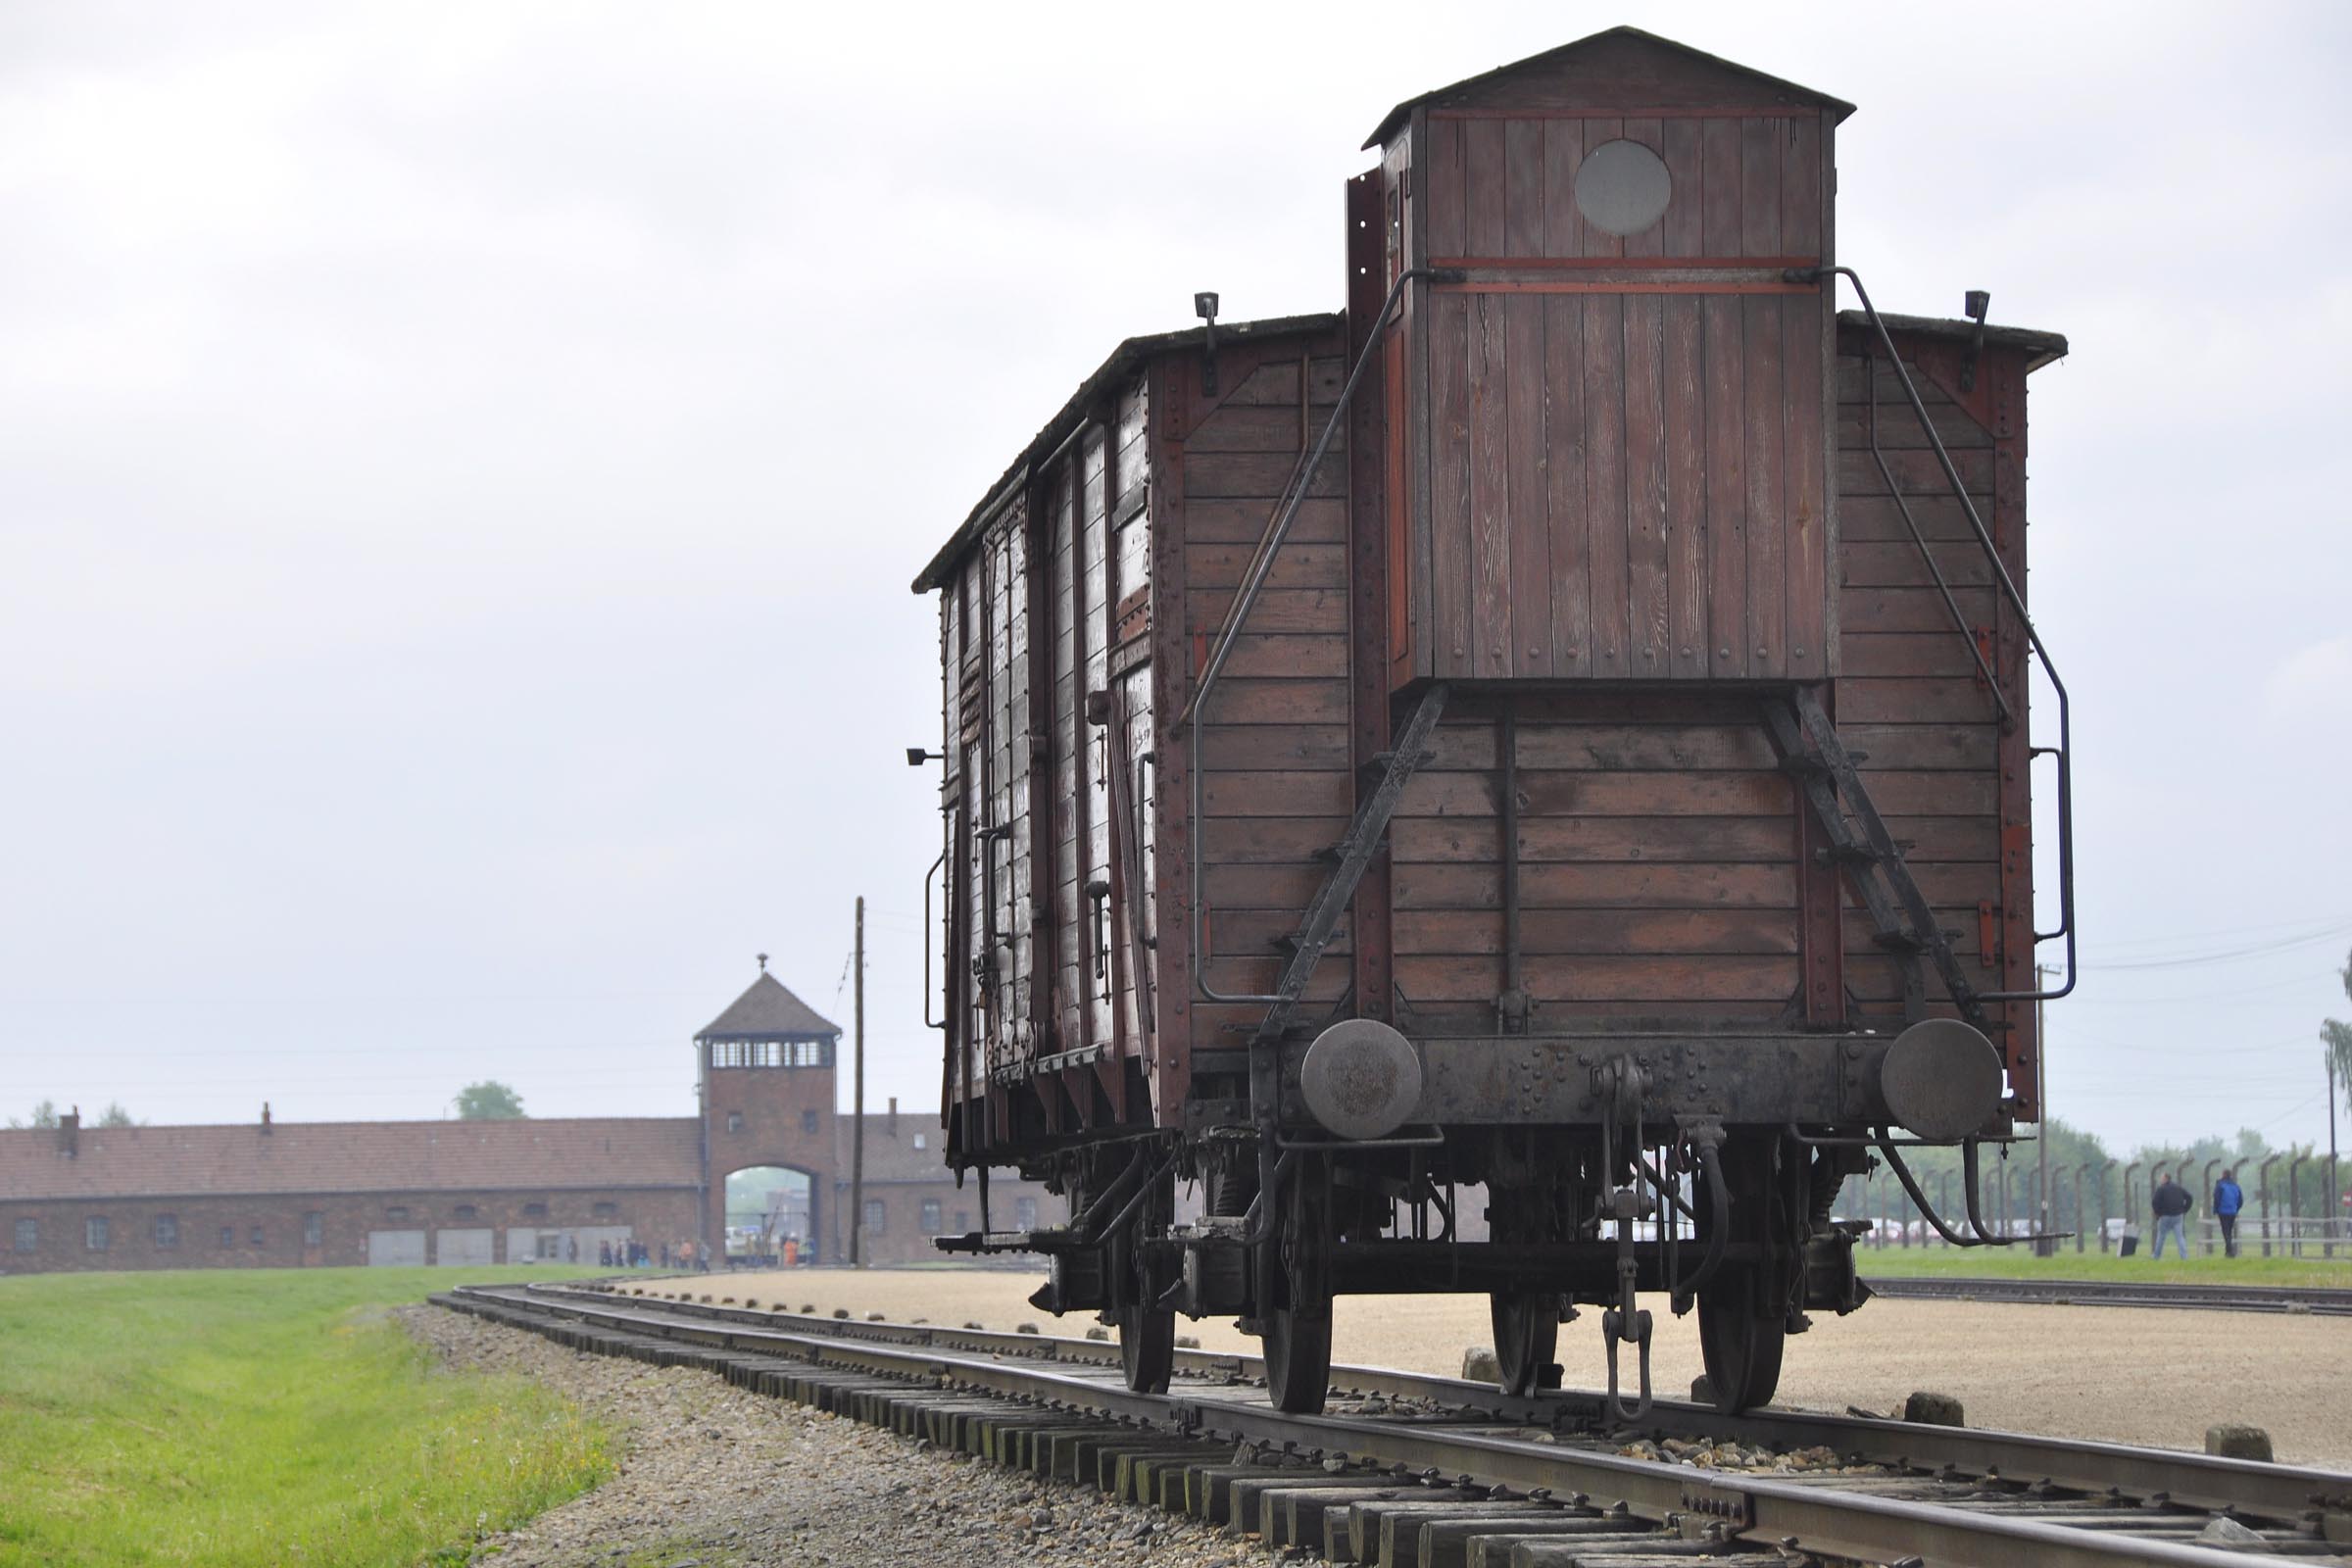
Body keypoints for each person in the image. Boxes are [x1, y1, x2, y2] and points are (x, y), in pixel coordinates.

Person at [2150, 1168, 2193, 1259]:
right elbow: (2189, 1197)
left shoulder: (2161, 1189)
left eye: (2161, 1178)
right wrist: (2185, 1210)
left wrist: (2157, 1213)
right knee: (2180, 1237)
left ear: (2166, 1178)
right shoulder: (2178, 1188)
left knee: (2161, 1237)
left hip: (2165, 1215)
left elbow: (2154, 1202)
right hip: (2178, 1216)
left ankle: (2156, 1256)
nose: (2160, 1179)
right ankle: (2184, 1257)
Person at [2214, 1169, 2244, 1257]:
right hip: (2232, 1211)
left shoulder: (2220, 1185)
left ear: (2223, 1174)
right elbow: (2241, 1200)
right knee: (2229, 1231)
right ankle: (2229, 1251)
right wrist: (2236, 1208)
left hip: (2223, 1212)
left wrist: (2216, 1210)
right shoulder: (2236, 1186)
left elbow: (2217, 1199)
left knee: (2226, 1231)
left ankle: (2230, 1251)